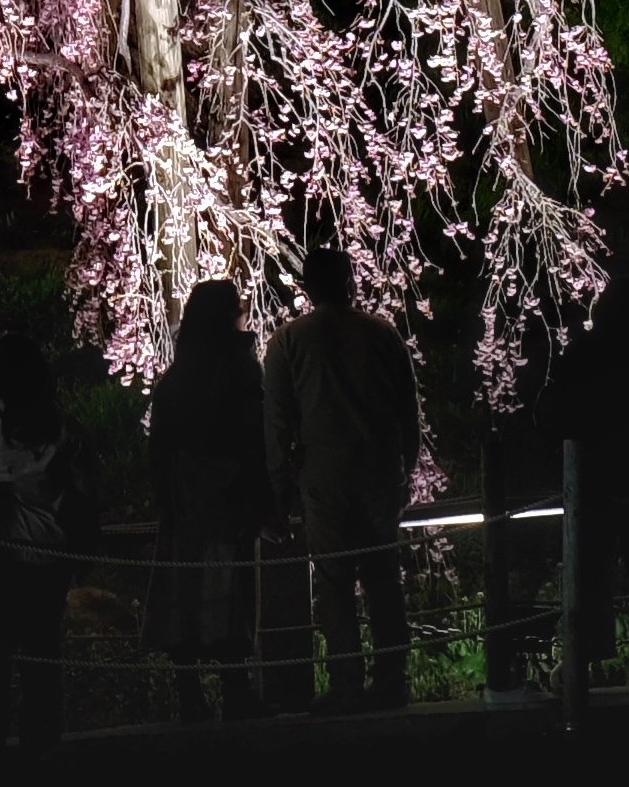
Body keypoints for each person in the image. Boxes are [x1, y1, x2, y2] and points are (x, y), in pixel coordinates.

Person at [263, 245, 424, 711]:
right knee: (382, 578)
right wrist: (405, 467)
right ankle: (392, 677)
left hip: (323, 474)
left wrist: (279, 492)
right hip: (378, 470)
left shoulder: (288, 342)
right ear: (350, 280)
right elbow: (407, 410)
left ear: (307, 288)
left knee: (334, 582)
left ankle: (346, 681)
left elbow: (277, 424)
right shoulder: (383, 335)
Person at [531, 268, 629, 693]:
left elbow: (556, 419)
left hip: (593, 480)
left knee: (589, 571)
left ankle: (580, 660)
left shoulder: (578, 355)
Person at [144, 278, 273, 724]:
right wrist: (263, 499)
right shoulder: (242, 372)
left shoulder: (176, 380)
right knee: (231, 592)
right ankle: (236, 690)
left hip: (184, 502)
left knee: (185, 591)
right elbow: (257, 441)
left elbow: (158, 447)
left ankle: (190, 693)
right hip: (231, 498)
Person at [0, 327, 79, 749]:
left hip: (1, 549)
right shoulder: (52, 421)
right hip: (49, 549)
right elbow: (51, 482)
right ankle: (42, 742)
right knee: (42, 655)